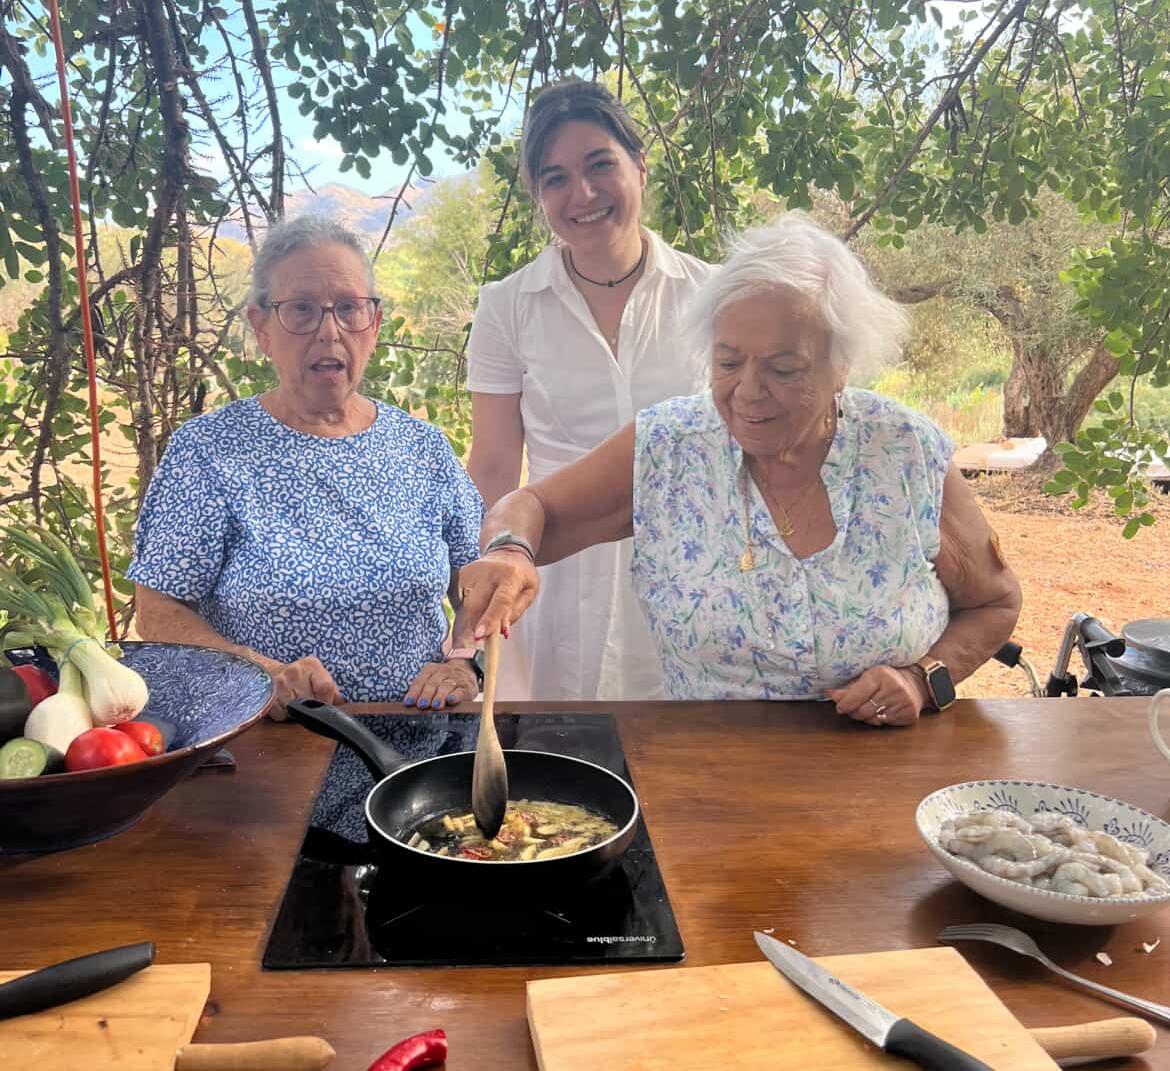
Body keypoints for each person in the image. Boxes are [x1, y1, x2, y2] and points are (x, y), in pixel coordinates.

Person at [459, 213, 1022, 723]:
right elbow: (531, 507)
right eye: (728, 362)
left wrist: (923, 681)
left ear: (842, 364)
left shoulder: (905, 451)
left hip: (880, 777)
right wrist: (510, 551)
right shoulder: (670, 447)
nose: (749, 393)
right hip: (706, 776)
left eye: (784, 368)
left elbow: (993, 603)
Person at [130, 217, 484, 715]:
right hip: (267, 740)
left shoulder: (422, 448)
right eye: (301, 310)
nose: (329, 331)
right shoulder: (208, 451)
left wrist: (464, 661)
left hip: (415, 741)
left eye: (348, 308)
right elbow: (158, 610)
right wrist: (257, 672)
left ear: (374, 323)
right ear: (262, 328)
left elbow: (479, 583)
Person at [467, 80, 713, 703]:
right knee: (558, 776)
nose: (581, 194)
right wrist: (480, 586)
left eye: (600, 165)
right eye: (555, 178)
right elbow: (494, 463)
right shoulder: (506, 307)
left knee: (689, 774)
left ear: (640, 166)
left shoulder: (715, 297)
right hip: (554, 580)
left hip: (694, 577)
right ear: (538, 196)